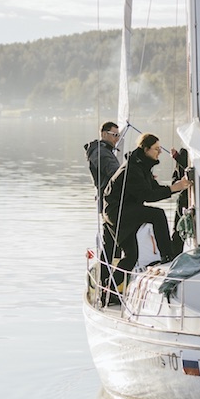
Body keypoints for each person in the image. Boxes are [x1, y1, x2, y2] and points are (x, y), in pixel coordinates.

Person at [103, 133, 189, 280]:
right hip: (117, 211)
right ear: (146, 149)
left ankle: (108, 290)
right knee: (157, 215)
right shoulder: (132, 169)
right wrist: (174, 188)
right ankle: (168, 256)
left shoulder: (141, 166)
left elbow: (154, 190)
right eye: (156, 149)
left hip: (120, 211)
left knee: (131, 257)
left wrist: (178, 186)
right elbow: (148, 195)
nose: (160, 152)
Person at [85, 121, 121, 300]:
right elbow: (114, 173)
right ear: (105, 134)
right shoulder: (100, 153)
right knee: (112, 246)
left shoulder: (103, 151)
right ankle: (108, 286)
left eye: (118, 135)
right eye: (115, 135)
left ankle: (107, 285)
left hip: (109, 203)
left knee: (111, 245)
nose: (117, 138)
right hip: (109, 204)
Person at [170, 147, 200, 251]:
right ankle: (172, 258)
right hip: (185, 199)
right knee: (179, 233)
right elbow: (175, 181)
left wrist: (178, 158)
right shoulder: (184, 152)